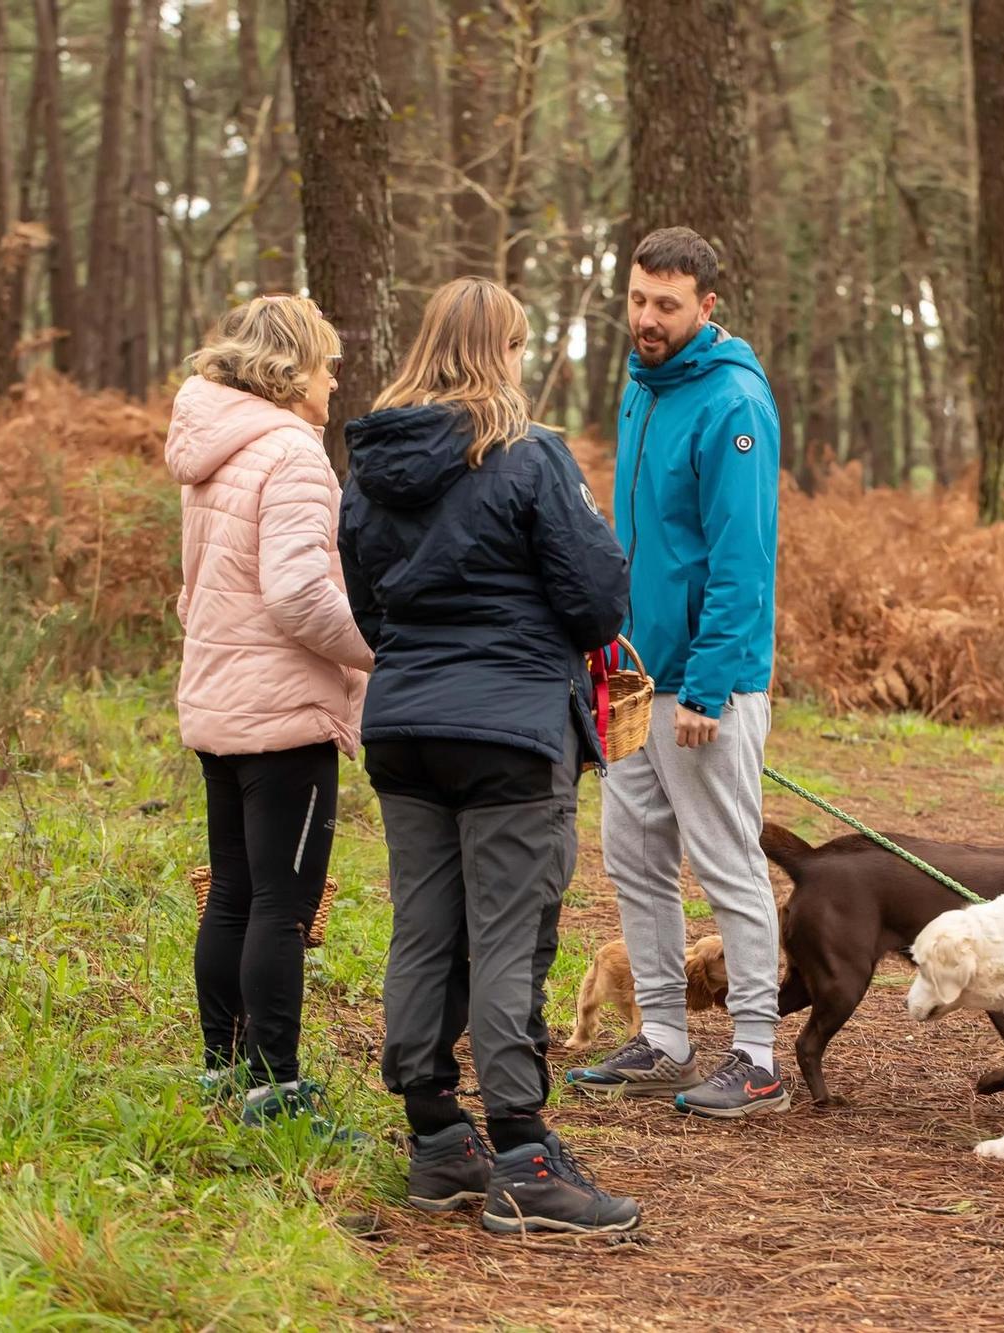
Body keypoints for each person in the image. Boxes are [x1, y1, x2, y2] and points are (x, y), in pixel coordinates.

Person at [339, 277, 636, 1235]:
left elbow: (366, 602)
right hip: (508, 730)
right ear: (502, 350)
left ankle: (437, 1137)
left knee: (424, 928)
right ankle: (522, 1151)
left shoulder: (373, 463)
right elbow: (597, 599)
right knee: (511, 934)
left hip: (406, 723)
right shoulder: (530, 455)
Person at [564, 226, 788, 1118]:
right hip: (629, 676)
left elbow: (743, 557)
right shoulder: (641, 388)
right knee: (635, 856)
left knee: (728, 860)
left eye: (667, 305)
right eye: (637, 300)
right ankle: (661, 1034)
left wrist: (709, 682)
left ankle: (759, 1053)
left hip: (704, 685)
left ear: (707, 307)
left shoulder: (733, 404)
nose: (647, 319)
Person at [167, 295, 373, 1135]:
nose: (333, 381)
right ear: (290, 371)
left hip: (220, 699)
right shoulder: (289, 451)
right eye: (326, 364)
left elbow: (199, 585)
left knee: (234, 895)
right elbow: (297, 592)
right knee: (283, 904)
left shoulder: (214, 446)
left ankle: (224, 1069)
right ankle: (276, 1089)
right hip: (285, 710)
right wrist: (376, 648)